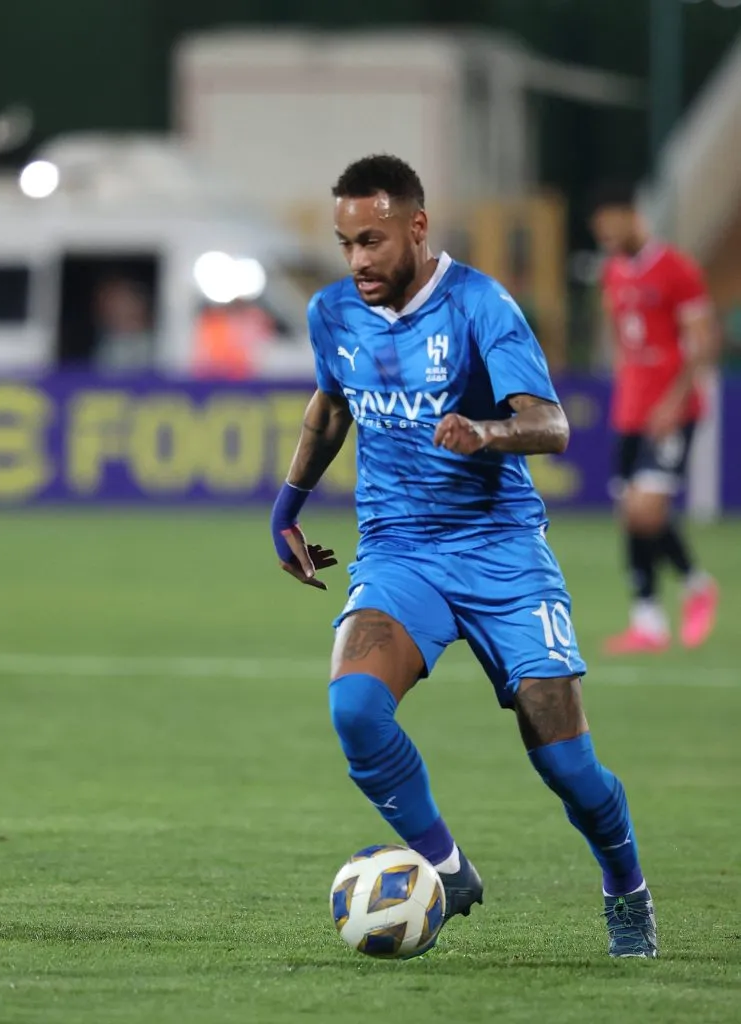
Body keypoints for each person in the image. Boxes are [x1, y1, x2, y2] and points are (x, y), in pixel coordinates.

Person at [271, 155, 656, 958]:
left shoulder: (481, 307)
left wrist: (484, 433)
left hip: (500, 555)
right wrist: (288, 508)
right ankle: (447, 870)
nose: (358, 261)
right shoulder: (333, 313)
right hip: (398, 554)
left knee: (568, 768)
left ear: (416, 226)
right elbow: (330, 405)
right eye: (345, 243)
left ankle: (625, 885)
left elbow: (549, 425)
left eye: (371, 240)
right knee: (353, 710)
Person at [588, 182, 719, 655]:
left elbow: (704, 341)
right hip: (631, 409)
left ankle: (695, 584)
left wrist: (674, 400)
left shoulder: (677, 270)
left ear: (633, 217)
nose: (606, 236)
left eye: (610, 226)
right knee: (631, 512)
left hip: (671, 409)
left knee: (646, 508)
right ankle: (648, 620)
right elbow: (621, 333)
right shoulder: (613, 273)